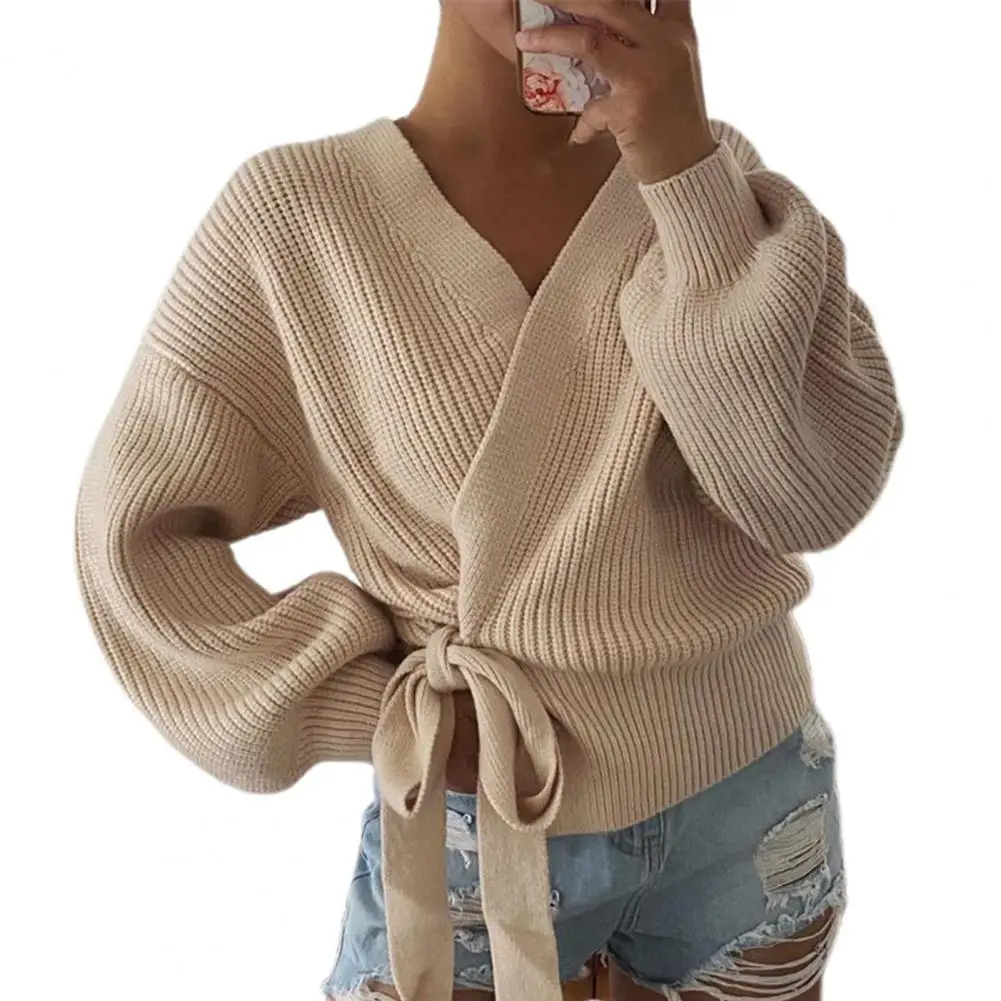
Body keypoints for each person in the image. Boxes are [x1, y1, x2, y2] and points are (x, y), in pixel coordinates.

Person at [72, 2, 904, 1000]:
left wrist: (683, 175)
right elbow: (135, 537)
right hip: (481, 818)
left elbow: (811, 496)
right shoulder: (296, 216)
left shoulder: (708, 181)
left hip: (747, 796)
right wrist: (372, 703)